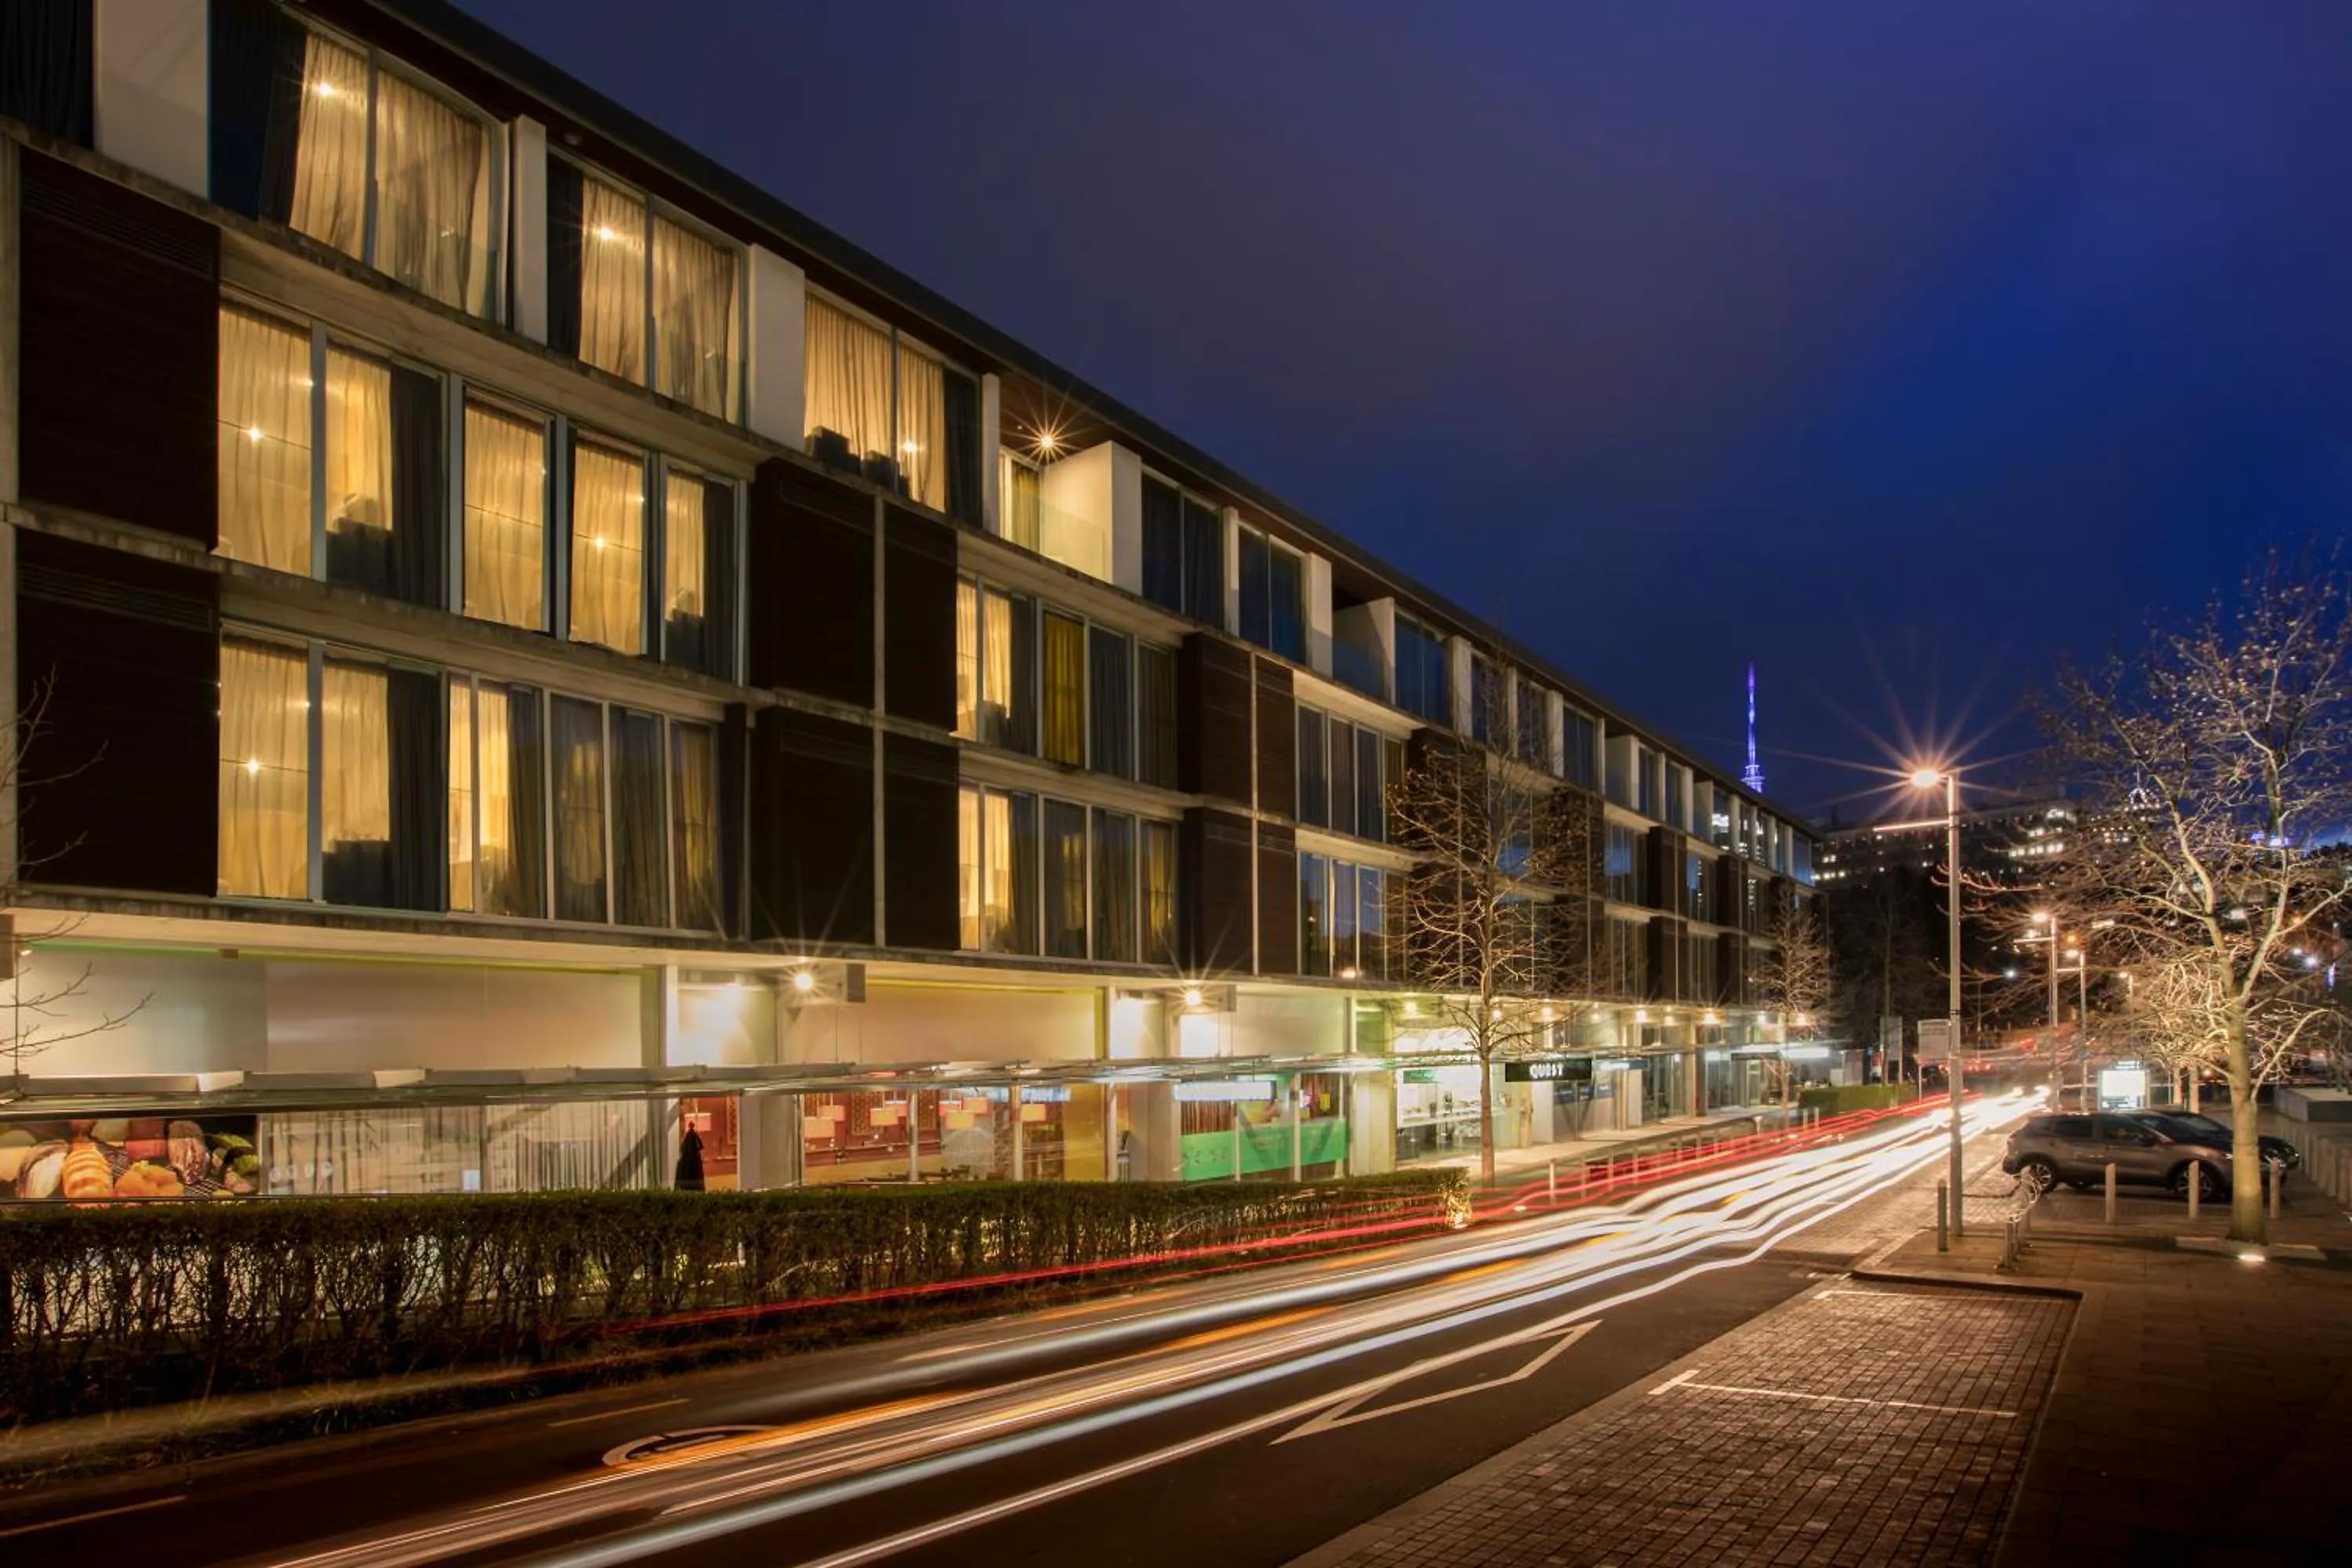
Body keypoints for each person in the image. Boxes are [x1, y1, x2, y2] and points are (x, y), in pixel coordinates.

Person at [675, 1122, 706, 1192]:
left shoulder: (690, 1135)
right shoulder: (693, 1135)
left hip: (690, 1161)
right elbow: (701, 1146)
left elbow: (683, 1147)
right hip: (692, 1161)